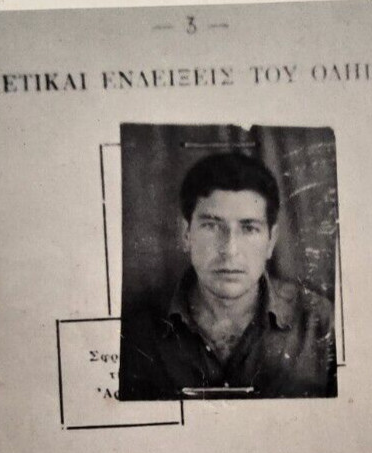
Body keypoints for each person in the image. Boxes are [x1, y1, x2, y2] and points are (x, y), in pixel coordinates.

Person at [119, 150, 337, 400]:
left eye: (249, 228)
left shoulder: (320, 323)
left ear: (271, 241)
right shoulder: (135, 332)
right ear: (186, 234)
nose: (230, 250)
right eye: (211, 226)